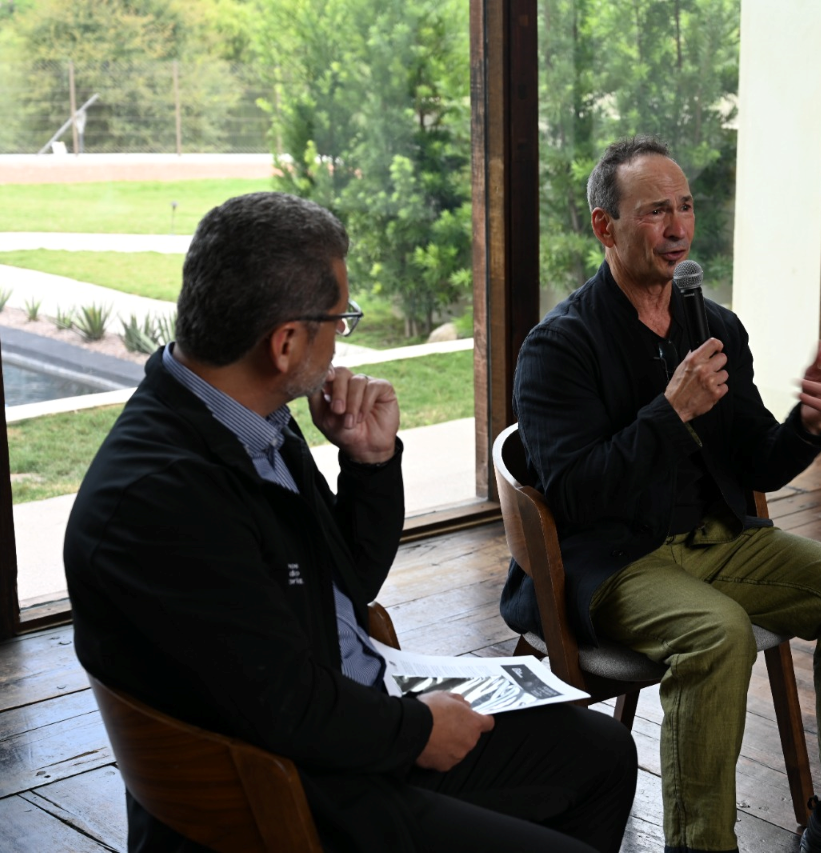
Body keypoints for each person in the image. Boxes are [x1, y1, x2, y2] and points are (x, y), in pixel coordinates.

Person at [64, 192, 637, 853]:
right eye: (338, 319)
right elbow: (287, 709)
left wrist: (369, 462)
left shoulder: (248, 422)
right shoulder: (165, 499)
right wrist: (419, 730)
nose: (342, 336)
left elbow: (346, 582)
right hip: (297, 795)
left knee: (603, 753)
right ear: (285, 342)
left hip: (346, 728)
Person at [500, 136, 821, 853]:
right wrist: (670, 412)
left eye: (685, 207)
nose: (678, 227)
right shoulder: (557, 346)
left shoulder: (713, 325)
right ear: (604, 226)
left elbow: (757, 461)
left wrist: (809, 424)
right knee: (717, 633)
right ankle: (699, 844)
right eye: (655, 211)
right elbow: (575, 494)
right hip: (616, 559)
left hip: (719, 541)